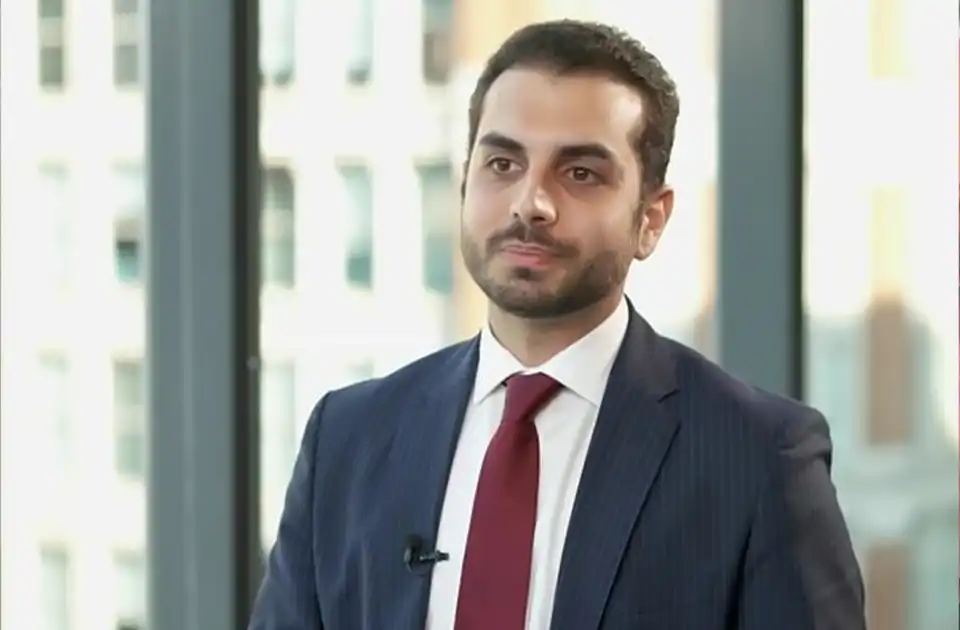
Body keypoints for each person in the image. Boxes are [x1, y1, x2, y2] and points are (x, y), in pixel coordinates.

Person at [248, 19, 865, 630]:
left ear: (650, 220)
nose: (530, 204)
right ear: (464, 185)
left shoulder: (758, 457)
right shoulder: (348, 440)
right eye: (502, 163)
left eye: (580, 174)